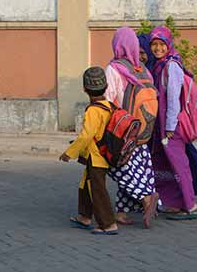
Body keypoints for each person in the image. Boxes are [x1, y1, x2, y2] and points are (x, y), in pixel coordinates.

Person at [104, 26, 159, 228]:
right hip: (142, 130)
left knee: (118, 167)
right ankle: (121, 212)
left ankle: (146, 198)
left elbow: (108, 99)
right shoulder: (143, 70)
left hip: (123, 128)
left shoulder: (115, 68)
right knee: (135, 166)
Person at [60, 67, 119, 235]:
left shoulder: (93, 110)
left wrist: (69, 153)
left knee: (97, 190)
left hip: (96, 156)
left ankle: (108, 224)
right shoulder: (109, 106)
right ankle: (84, 217)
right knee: (85, 184)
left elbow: (86, 136)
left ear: (85, 89)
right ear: (106, 87)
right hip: (104, 153)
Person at [148, 26, 197, 220]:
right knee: (165, 166)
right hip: (163, 126)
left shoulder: (171, 66)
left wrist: (169, 127)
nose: (158, 48)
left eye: (162, 44)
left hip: (172, 127)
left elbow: (173, 99)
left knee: (179, 166)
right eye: (154, 44)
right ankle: (174, 203)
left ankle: (190, 205)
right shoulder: (159, 65)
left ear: (168, 44)